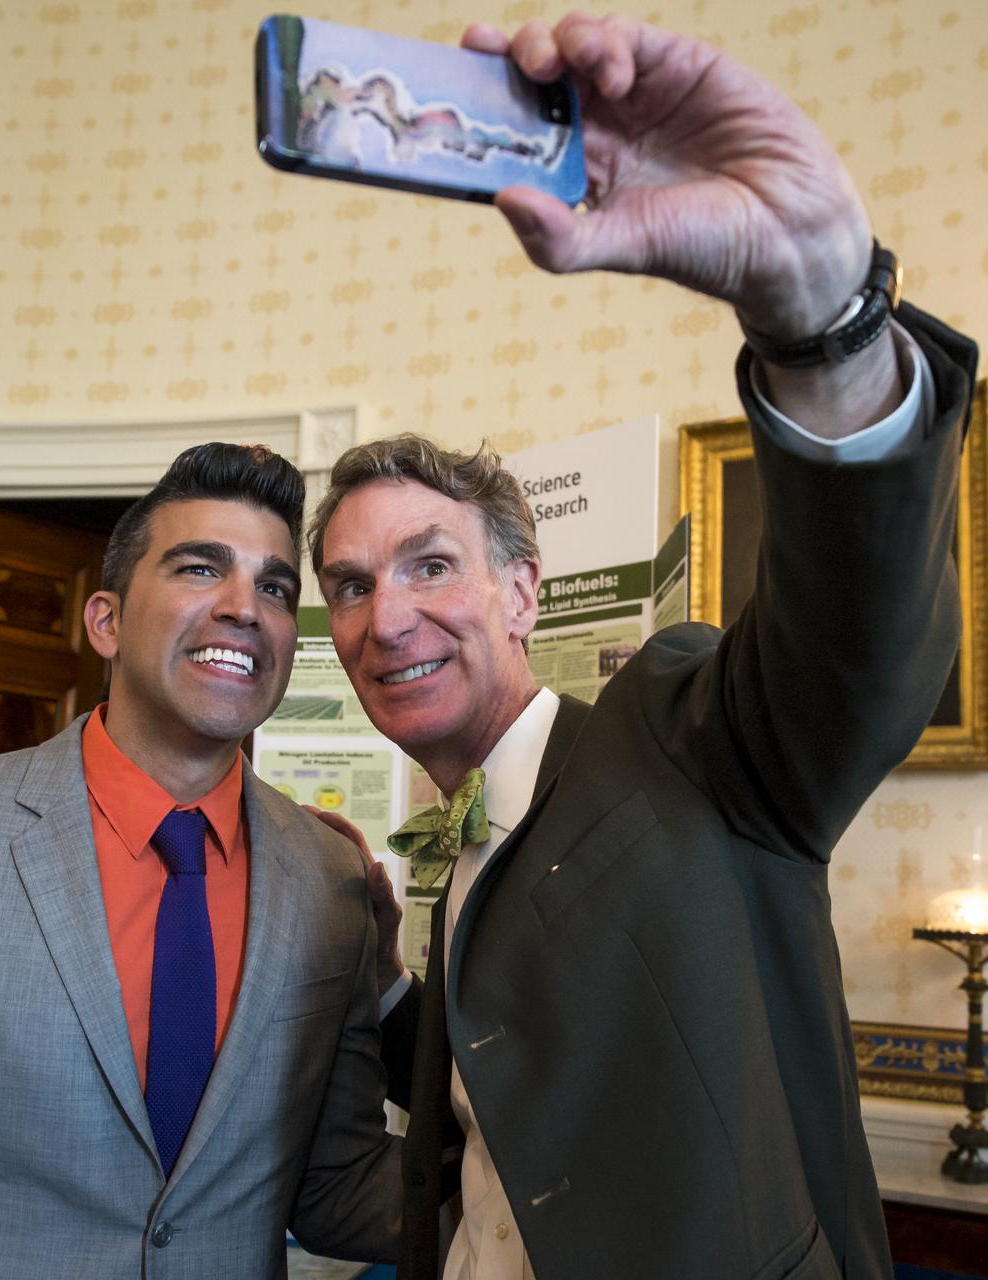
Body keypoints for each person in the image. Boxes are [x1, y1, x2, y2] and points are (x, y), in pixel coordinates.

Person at [308, 12, 977, 1280]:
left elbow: (858, 644)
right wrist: (388, 963)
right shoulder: (451, 866)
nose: (383, 616)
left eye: (428, 564)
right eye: (347, 585)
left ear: (522, 591)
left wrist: (822, 323)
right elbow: (527, 1095)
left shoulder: (678, 732)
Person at [0, 444, 400, 1279]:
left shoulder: (328, 877)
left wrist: (543, 1195)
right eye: (201, 568)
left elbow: (336, 1186)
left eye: (274, 587)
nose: (245, 607)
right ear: (105, 620)